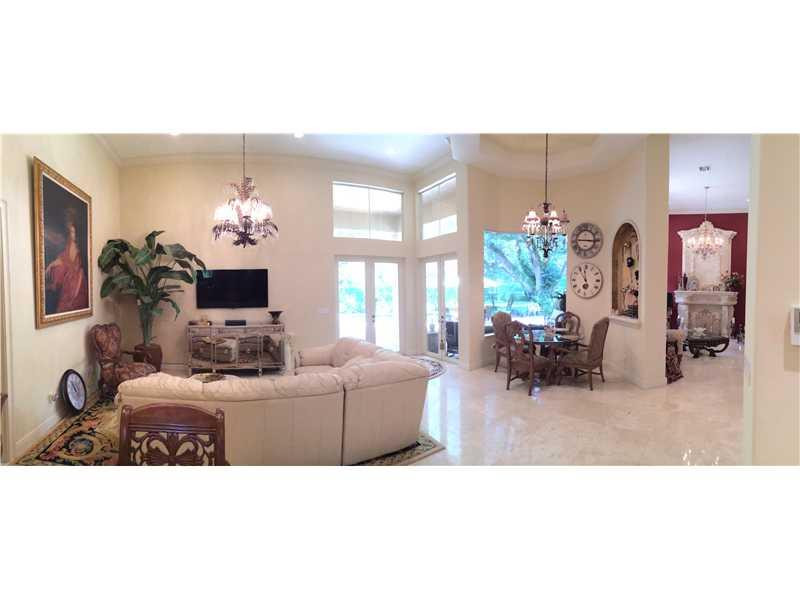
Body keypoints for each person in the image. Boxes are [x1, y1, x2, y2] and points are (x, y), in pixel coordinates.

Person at [45, 208, 88, 313]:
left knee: (72, 304)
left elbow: (78, 269)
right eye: (70, 231)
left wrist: (74, 293)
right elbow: (64, 258)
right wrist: (53, 263)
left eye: (73, 232)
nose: (72, 234)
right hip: (68, 281)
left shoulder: (80, 247)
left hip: (77, 283)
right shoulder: (69, 243)